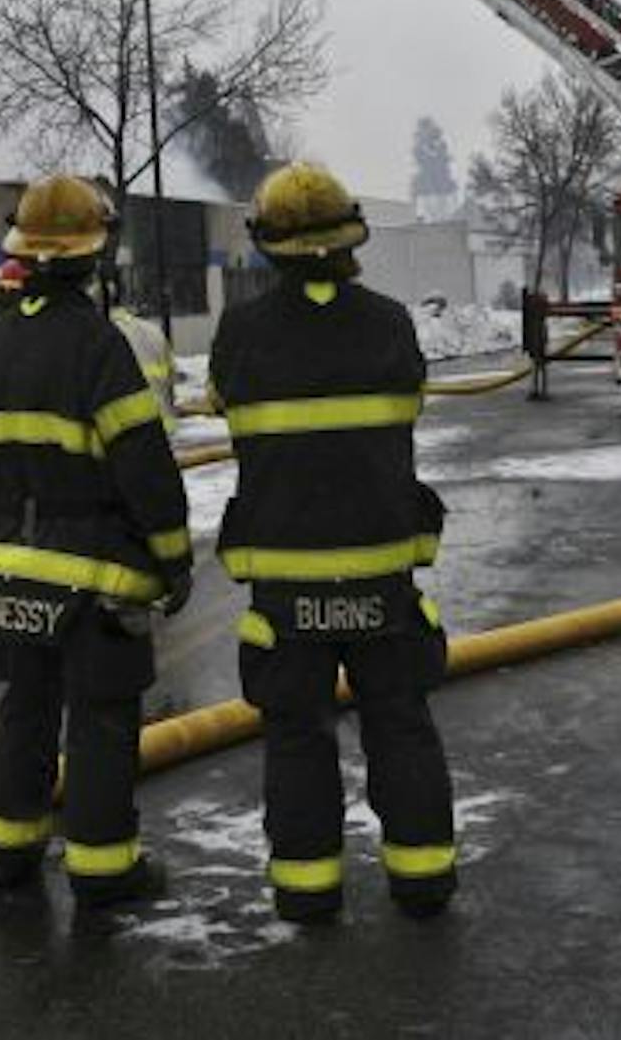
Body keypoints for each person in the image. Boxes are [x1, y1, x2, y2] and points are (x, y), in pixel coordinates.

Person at [206, 161, 457, 924]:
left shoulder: (241, 332)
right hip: (383, 572)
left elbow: (222, 400)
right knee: (400, 720)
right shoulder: (388, 322)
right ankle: (422, 879)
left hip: (284, 583)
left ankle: (307, 891)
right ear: (352, 238)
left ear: (266, 245)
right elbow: (408, 400)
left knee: (296, 736)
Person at [0, 173, 193, 908]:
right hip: (97, 576)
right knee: (101, 713)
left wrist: (3, 524)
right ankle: (102, 864)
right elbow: (143, 464)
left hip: (11, 566)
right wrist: (173, 557)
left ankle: (8, 851)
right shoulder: (99, 346)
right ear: (95, 256)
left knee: (25, 703)